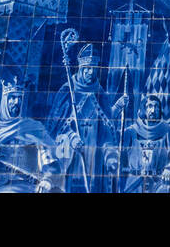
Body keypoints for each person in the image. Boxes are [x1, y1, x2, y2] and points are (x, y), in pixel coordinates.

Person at [49, 41, 125, 192]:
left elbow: (107, 132)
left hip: (94, 162)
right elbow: (54, 129)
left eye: (94, 69)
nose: (91, 72)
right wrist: (71, 137)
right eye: (87, 68)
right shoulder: (67, 91)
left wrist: (110, 156)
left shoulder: (100, 94)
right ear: (81, 68)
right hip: (69, 158)